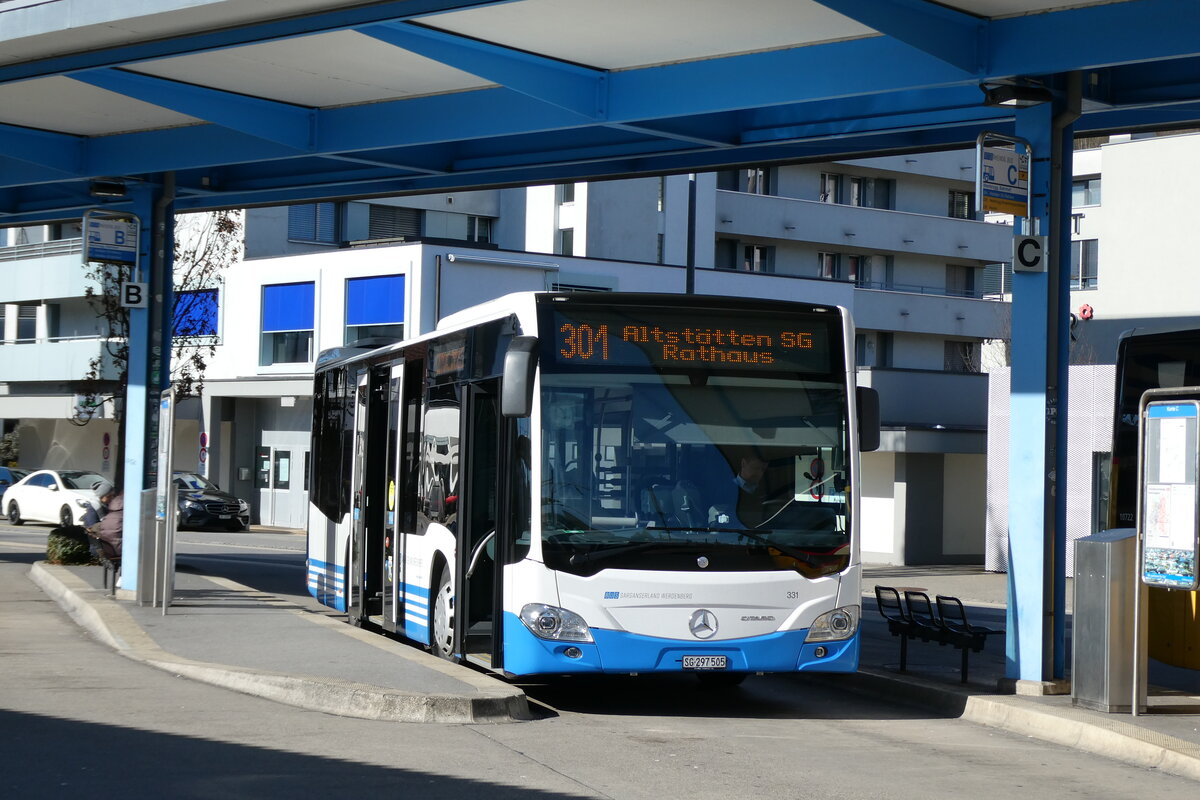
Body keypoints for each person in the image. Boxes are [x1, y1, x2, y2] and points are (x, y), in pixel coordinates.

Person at [85, 480, 122, 562]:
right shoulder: (92, 510)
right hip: (101, 547)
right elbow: (92, 528)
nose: (112, 498)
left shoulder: (107, 506)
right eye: (109, 496)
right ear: (102, 496)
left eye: (113, 495)